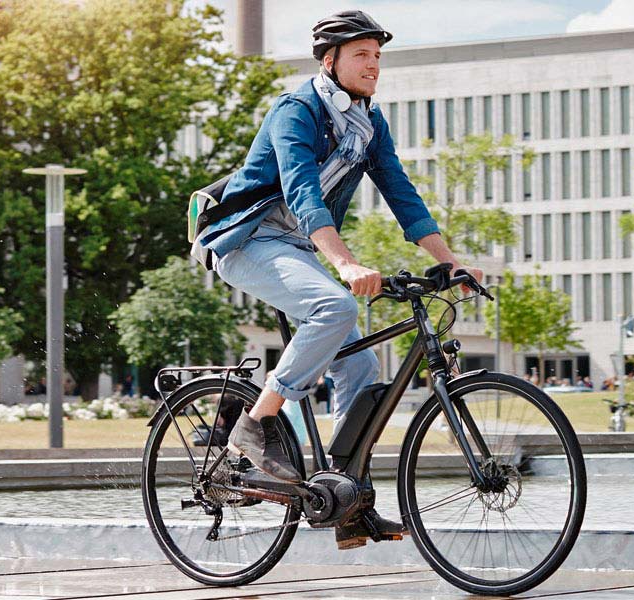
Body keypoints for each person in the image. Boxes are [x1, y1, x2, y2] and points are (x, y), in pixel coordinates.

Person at [196, 10, 483, 550]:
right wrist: (346, 264)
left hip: (300, 247)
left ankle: (346, 500)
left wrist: (450, 260)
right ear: (329, 60)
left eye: (377, 56)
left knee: (362, 363)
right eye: (361, 55)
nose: (373, 65)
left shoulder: (369, 123)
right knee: (337, 306)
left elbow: (401, 193)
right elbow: (302, 191)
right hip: (248, 241)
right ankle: (255, 424)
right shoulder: (295, 110)